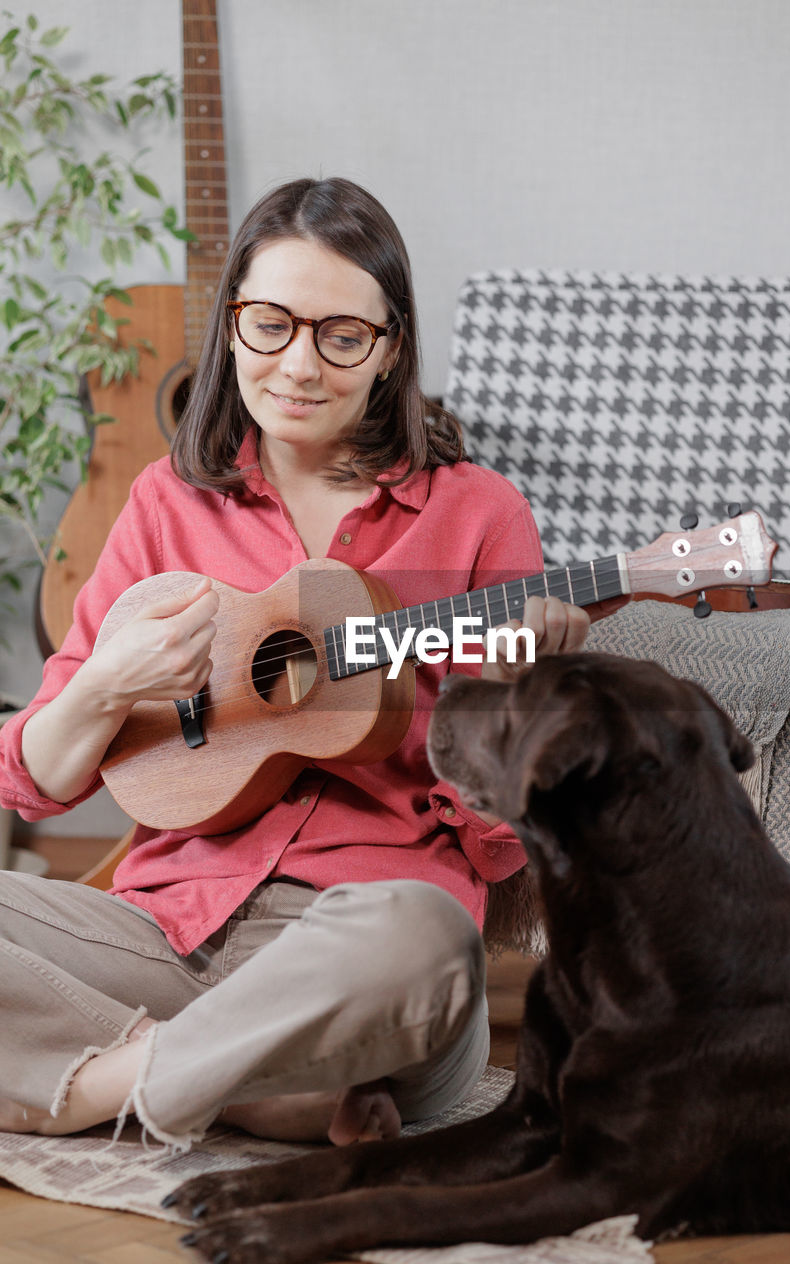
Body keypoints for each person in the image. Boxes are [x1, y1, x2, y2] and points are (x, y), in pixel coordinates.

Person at [0, 177, 598, 1151]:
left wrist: (504, 703)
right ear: (231, 322)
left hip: (365, 943)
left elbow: (502, 851)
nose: (299, 365)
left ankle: (95, 1077)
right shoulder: (168, 503)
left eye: (341, 335)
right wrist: (110, 679)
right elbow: (32, 780)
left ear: (389, 346)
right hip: (171, 930)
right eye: (271, 324)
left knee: (428, 932)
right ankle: (207, 1082)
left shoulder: (479, 514)